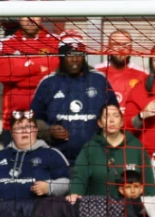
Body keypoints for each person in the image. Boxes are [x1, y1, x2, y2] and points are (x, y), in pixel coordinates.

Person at [30, 34, 118, 165]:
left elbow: (114, 113)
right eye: (70, 55)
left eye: (79, 54)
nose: (75, 59)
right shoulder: (48, 83)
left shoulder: (99, 80)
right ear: (61, 56)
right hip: (58, 160)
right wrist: (48, 131)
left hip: (96, 159)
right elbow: (34, 118)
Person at [68, 103, 155, 201]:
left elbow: (148, 180)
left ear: (122, 122)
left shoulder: (136, 146)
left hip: (132, 212)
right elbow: (79, 177)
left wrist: (151, 205)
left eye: (116, 116)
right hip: (98, 210)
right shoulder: (90, 148)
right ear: (100, 123)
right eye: (106, 116)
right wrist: (75, 193)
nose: (111, 120)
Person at [0, 17, 59, 145]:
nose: (30, 19)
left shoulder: (55, 41)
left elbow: (53, 74)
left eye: (34, 14)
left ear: (41, 17)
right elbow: (3, 75)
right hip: (13, 121)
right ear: (19, 17)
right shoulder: (6, 42)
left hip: (47, 120)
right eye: (26, 15)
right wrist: (37, 66)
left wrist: (19, 71)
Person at [0, 110, 70, 200]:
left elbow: (68, 183)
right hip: (0, 212)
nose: (24, 131)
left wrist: (49, 187)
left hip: (40, 212)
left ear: (36, 130)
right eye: (19, 128)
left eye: (28, 126)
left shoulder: (52, 154)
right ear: (11, 132)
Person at [94, 29, 149, 114]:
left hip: (132, 126)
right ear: (108, 47)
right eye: (116, 44)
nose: (121, 49)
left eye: (126, 45)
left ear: (131, 49)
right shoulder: (96, 73)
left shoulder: (143, 75)